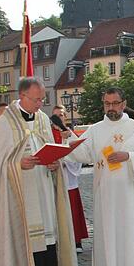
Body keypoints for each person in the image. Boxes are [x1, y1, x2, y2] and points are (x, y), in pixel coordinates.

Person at [0, 77, 80, 266]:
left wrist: (55, 163)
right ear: (22, 96)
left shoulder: (43, 119)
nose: (40, 104)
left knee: (47, 238)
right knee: (26, 241)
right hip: (20, 196)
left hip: (43, 190)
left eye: (42, 99)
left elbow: (48, 149)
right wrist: (17, 163)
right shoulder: (5, 123)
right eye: (36, 99)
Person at [68, 86, 134, 266]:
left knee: (131, 232)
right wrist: (66, 145)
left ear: (123, 104)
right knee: (108, 232)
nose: (111, 108)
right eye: (107, 103)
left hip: (129, 192)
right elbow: (83, 152)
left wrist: (128, 156)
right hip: (106, 193)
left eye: (115, 103)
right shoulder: (95, 129)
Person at [51, 105, 89, 253]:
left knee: (72, 210)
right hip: (53, 178)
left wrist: (66, 161)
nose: (58, 118)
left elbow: (78, 156)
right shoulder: (47, 133)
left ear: (65, 117)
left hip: (69, 179)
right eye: (55, 115)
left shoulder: (70, 133)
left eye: (61, 115)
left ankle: (76, 240)